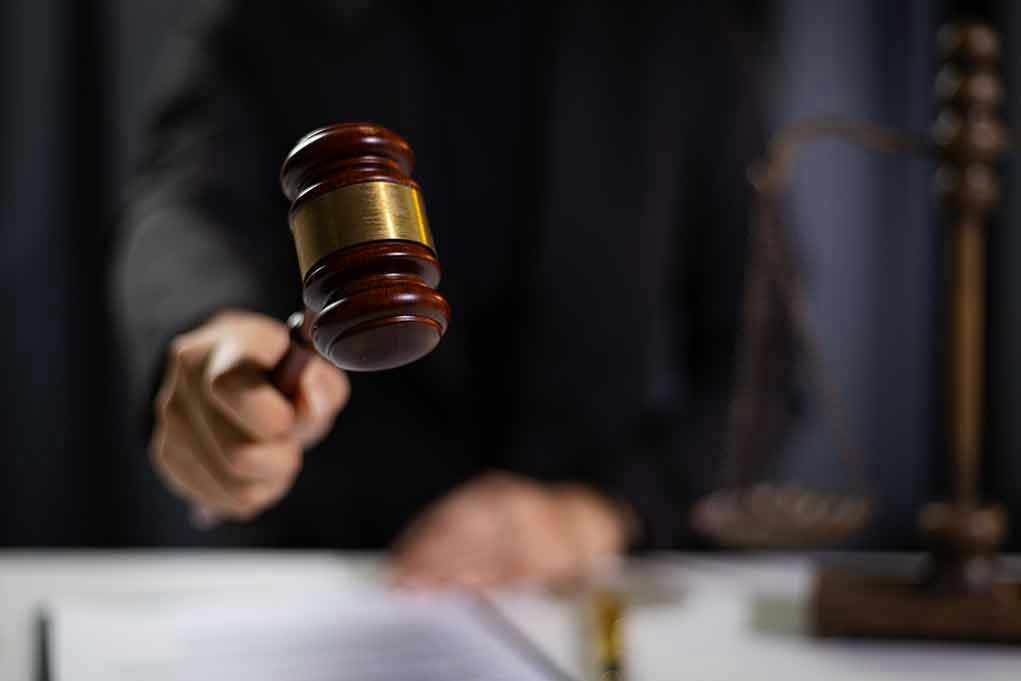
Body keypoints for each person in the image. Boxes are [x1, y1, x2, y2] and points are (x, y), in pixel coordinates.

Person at [115, 1, 785, 588]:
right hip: (339, 572)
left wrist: (603, 511)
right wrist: (210, 331)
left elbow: (767, 360)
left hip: (589, 587)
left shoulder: (679, 30)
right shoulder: (270, 21)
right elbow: (179, 209)